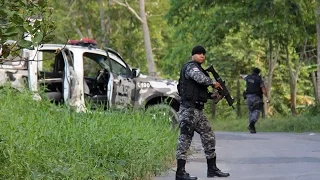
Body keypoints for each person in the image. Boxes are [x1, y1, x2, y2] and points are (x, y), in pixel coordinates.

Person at [176, 45, 230, 180]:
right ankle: (180, 173)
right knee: (185, 139)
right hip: (188, 110)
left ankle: (212, 169)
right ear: (193, 55)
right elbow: (199, 78)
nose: (202, 56)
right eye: (199, 53)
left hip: (198, 111)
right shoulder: (191, 67)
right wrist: (214, 83)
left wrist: (217, 95)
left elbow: (203, 94)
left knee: (209, 136)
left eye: (203, 54)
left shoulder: (200, 70)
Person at [242, 68, 269, 133]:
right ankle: (251, 124)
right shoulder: (259, 79)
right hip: (256, 97)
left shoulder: (248, 77)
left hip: (248, 97)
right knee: (256, 111)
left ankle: (252, 128)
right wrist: (267, 96)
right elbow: (263, 89)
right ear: (258, 73)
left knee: (250, 111)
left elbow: (243, 76)